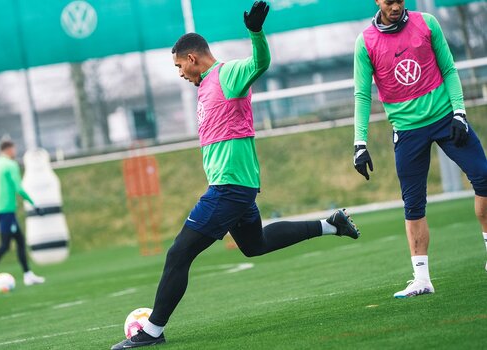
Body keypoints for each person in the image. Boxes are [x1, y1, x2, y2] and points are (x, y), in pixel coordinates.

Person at [111, 2, 360, 349]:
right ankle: (331, 225)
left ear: (192, 58)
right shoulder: (205, 87)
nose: (179, 72)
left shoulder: (227, 75)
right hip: (235, 186)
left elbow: (261, 63)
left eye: (179, 65)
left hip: (229, 187)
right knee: (254, 245)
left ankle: (152, 331)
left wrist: (256, 33)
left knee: (178, 254)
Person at [352, 0, 487, 298]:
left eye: (400, 0)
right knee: (413, 205)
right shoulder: (366, 43)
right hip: (408, 132)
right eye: (389, 1)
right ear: (377, 1)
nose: (396, 5)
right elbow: (362, 96)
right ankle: (422, 279)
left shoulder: (427, 23)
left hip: (446, 120)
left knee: (485, 178)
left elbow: (449, 70)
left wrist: (459, 113)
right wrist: (359, 143)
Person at [0, 140, 45, 290]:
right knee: (5, 245)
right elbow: (19, 188)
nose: (15, 152)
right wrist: (34, 204)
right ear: (8, 149)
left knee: (19, 240)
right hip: (6, 210)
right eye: (14, 149)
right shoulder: (10, 165)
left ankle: (27, 274)